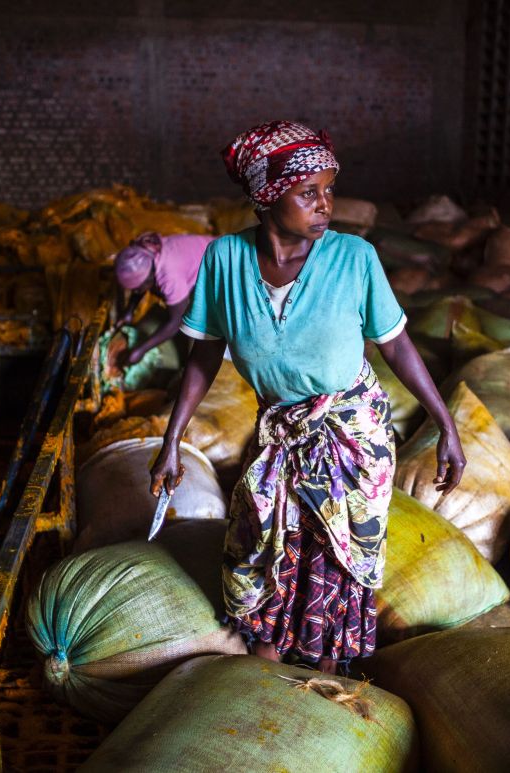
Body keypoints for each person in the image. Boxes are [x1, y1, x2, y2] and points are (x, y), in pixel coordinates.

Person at [149, 120, 465, 674]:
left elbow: (396, 345)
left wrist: (446, 424)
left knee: (336, 557)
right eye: (308, 192)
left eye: (328, 191)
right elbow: (204, 355)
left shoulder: (354, 257)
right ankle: (269, 654)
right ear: (267, 197)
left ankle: (326, 670)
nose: (325, 205)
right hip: (279, 430)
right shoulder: (223, 260)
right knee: (269, 538)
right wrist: (172, 438)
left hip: (350, 433)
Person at [114, 231, 215, 365]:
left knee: (197, 334)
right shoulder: (145, 250)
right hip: (204, 251)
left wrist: (141, 350)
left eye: (138, 289)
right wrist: (129, 311)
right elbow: (140, 284)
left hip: (222, 269)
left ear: (149, 278)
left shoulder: (169, 278)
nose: (136, 292)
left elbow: (177, 321)